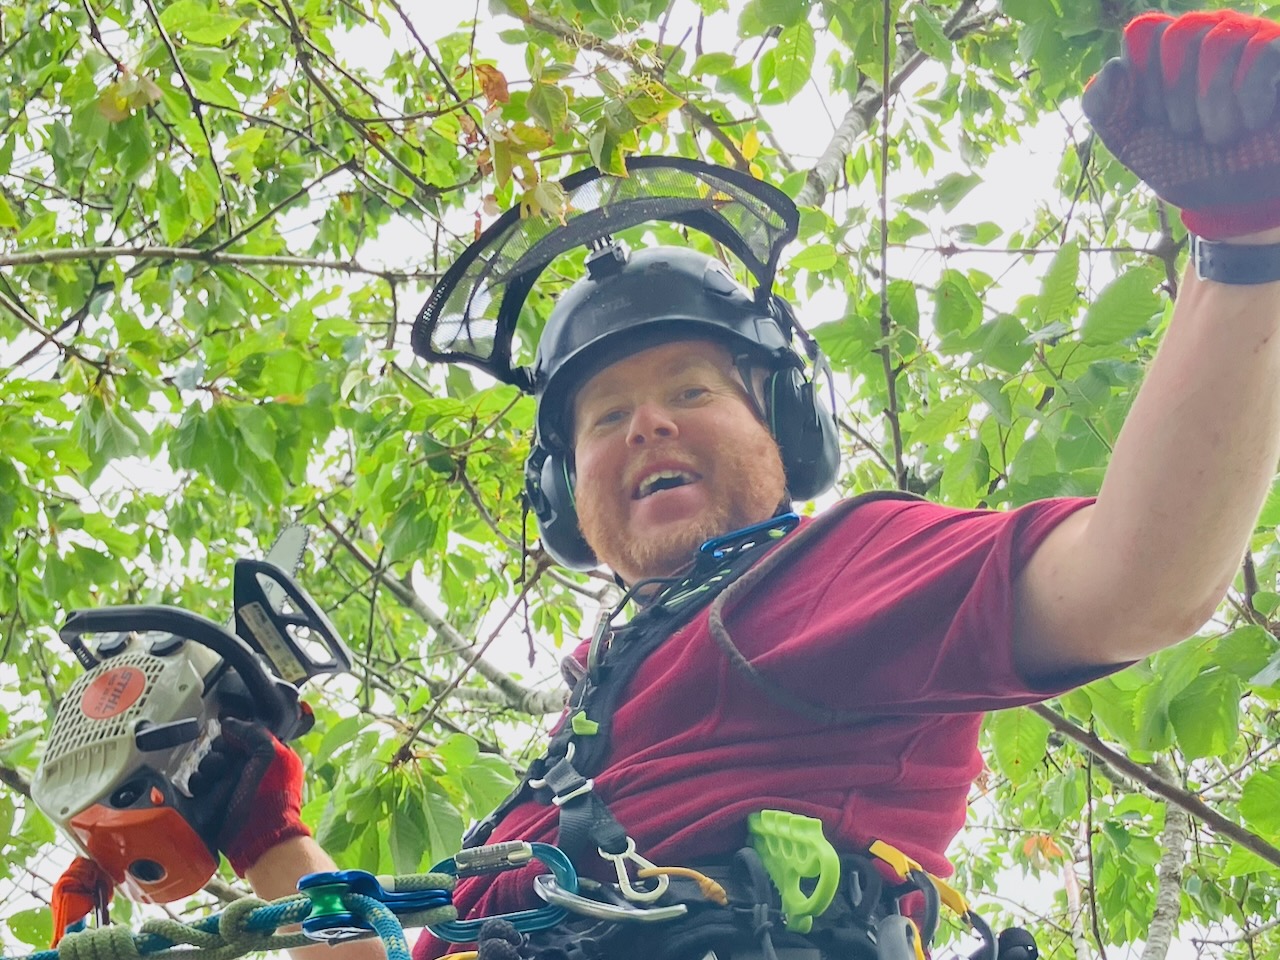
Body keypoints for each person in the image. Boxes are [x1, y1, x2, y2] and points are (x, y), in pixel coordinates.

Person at [79, 8, 1280, 960]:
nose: (647, 421)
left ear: (783, 433)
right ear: (565, 496)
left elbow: (1140, 580)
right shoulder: (558, 789)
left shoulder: (839, 570)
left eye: (692, 392)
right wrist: (267, 838)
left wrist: (1239, 246)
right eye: (605, 417)